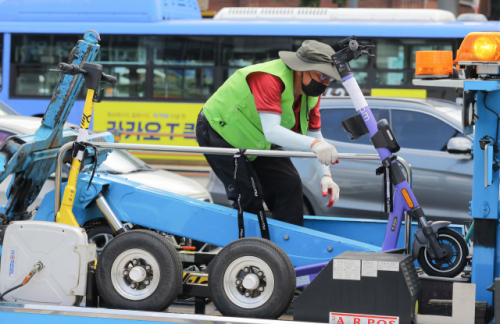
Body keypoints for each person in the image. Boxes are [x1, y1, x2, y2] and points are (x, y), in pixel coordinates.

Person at [196, 40, 340, 227]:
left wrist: (325, 176)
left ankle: (287, 246)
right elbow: (272, 131)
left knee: (289, 184)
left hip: (256, 138)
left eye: (330, 78)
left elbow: (314, 134)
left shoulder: (311, 92)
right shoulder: (269, 79)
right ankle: (250, 251)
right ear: (301, 69)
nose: (326, 83)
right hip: (220, 131)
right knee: (248, 195)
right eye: (322, 76)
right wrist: (314, 146)